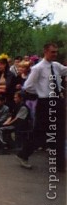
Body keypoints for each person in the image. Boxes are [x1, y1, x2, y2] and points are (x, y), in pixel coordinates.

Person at [22, 43, 66, 172]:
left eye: (56, 52)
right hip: (45, 102)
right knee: (40, 133)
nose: (55, 54)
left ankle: (60, 164)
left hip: (57, 101)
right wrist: (41, 91)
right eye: (52, 52)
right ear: (45, 52)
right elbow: (28, 86)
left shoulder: (56, 66)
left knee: (60, 132)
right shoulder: (38, 68)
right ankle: (23, 154)